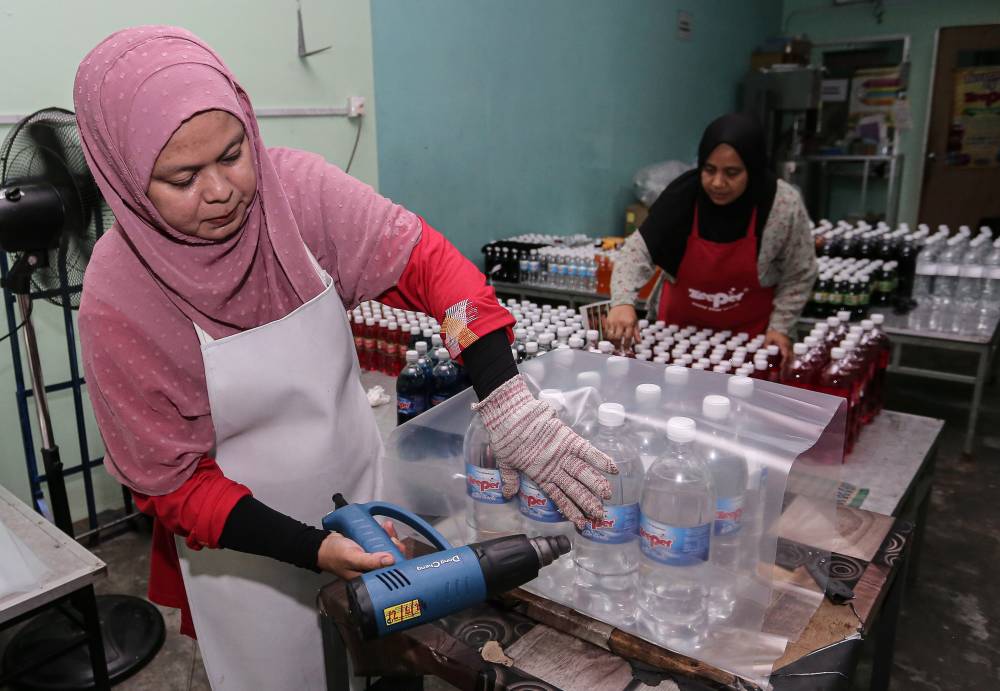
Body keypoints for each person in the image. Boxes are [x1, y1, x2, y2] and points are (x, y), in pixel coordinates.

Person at [74, 26, 615, 690]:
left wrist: (505, 398)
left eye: (233, 152)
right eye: (183, 177)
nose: (220, 190)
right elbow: (173, 484)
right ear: (125, 180)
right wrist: (313, 548)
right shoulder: (120, 297)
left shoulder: (295, 194)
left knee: (394, 670)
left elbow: (428, 262)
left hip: (366, 497)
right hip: (251, 559)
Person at [606, 113, 817, 360]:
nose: (717, 182)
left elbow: (799, 271)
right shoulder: (682, 197)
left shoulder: (781, 204)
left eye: (732, 173)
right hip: (677, 335)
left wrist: (781, 327)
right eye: (709, 170)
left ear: (753, 168)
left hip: (751, 342)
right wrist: (622, 301)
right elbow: (636, 252)